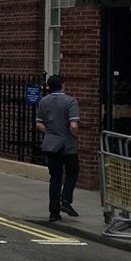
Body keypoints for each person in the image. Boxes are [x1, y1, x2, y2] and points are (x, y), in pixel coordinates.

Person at [36, 74, 80, 222]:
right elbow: (73, 126)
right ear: (62, 85)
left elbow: (39, 124)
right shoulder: (70, 101)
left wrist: (50, 132)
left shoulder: (43, 101)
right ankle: (66, 201)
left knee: (55, 178)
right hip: (67, 146)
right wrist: (76, 135)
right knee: (72, 172)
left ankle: (54, 213)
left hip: (50, 145)